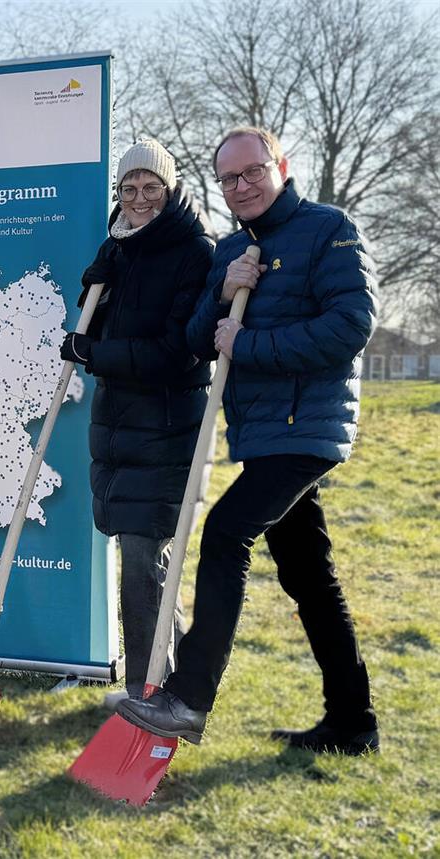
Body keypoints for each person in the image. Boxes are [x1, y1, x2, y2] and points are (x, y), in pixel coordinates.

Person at [116, 127, 380, 754]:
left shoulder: (329, 230)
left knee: (225, 533)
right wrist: (224, 291)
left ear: (280, 167)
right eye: (229, 178)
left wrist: (250, 343)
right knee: (309, 574)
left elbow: (351, 325)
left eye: (253, 171)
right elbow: (196, 340)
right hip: (262, 434)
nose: (242, 186)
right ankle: (353, 722)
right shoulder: (233, 247)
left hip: (306, 428)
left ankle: (188, 698)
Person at [60, 139, 215, 709]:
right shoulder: (119, 247)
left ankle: (143, 692)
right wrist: (93, 291)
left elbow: (178, 352)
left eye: (151, 187)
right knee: (149, 561)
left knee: (142, 558)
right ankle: (170, 684)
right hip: (120, 425)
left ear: (170, 191)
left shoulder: (194, 252)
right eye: (129, 188)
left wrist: (95, 354)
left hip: (167, 426)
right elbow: (100, 325)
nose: (139, 198)